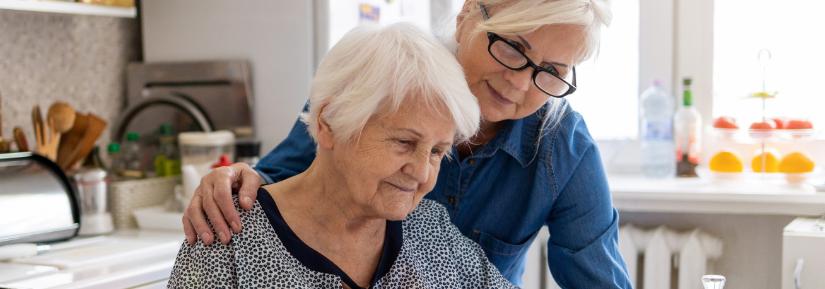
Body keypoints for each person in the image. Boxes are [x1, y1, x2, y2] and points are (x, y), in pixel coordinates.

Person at [184, 0, 633, 288]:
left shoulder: (562, 149)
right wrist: (228, 181)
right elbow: (276, 190)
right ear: (466, 16)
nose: (519, 82)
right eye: (513, 47)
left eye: (550, 71)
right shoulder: (379, 82)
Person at [168, 23, 516, 289]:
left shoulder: (431, 231)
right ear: (329, 124)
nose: (422, 173)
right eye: (404, 143)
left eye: (438, 151)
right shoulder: (229, 239)